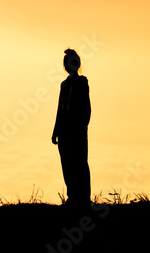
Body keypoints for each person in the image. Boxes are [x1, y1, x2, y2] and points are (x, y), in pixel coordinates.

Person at [52, 48, 91, 207]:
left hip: (77, 131)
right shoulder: (64, 85)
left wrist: (81, 127)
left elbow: (87, 109)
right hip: (65, 132)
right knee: (67, 164)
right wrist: (56, 130)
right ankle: (73, 197)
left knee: (80, 164)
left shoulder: (82, 83)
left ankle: (83, 198)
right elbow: (60, 110)